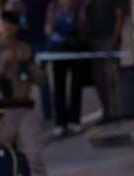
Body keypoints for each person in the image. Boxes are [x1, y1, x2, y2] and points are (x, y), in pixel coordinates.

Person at [0, 11, 47, 176]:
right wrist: (3, 64)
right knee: (1, 156)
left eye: (12, 24)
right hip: (2, 110)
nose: (8, 28)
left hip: (24, 107)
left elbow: (42, 80)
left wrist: (28, 63)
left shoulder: (25, 48)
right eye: (4, 24)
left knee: (33, 154)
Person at [44, 0, 86, 135]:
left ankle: (75, 120)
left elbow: (82, 25)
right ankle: (60, 123)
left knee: (76, 86)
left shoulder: (79, 5)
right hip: (59, 51)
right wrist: (55, 34)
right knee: (58, 86)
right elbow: (48, 27)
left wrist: (73, 30)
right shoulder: (53, 6)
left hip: (76, 49)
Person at [84, 0, 127, 122]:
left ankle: (117, 110)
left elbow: (119, 15)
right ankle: (106, 110)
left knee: (112, 76)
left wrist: (115, 37)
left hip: (109, 38)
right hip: (95, 40)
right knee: (99, 78)